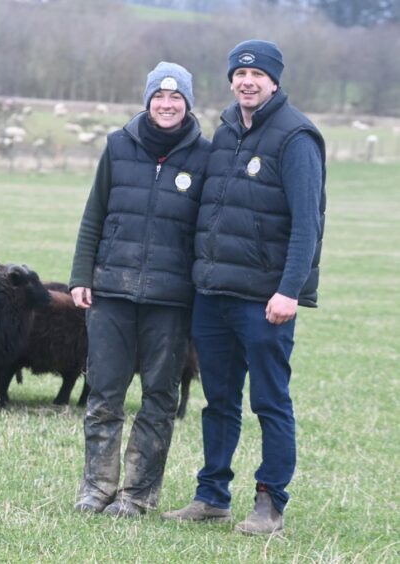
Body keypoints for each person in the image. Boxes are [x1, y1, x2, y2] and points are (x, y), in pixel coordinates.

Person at [161, 40, 326, 535]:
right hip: (214, 296)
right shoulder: (228, 128)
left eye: (257, 75)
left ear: (275, 81)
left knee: (270, 402)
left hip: (265, 300)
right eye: (239, 74)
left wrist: (290, 290)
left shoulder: (296, 136)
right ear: (231, 79)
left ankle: (270, 503)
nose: (247, 82)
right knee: (220, 401)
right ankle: (211, 494)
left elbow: (307, 224)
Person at [70, 62, 210, 518]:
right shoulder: (117, 146)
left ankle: (138, 493)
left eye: (176, 99)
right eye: (159, 98)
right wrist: (81, 276)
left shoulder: (205, 157)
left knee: (159, 398)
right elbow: (94, 214)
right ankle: (97, 486)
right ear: (147, 101)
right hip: (111, 290)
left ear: (188, 104)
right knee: (104, 393)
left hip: (171, 300)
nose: (166, 106)